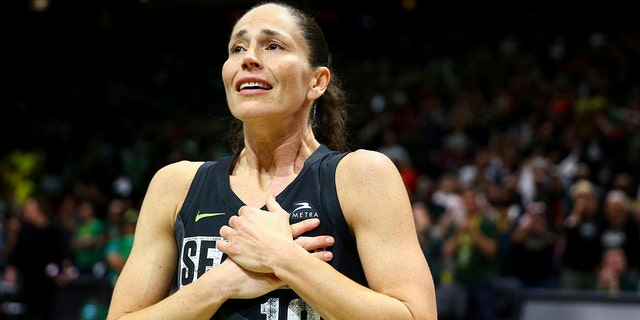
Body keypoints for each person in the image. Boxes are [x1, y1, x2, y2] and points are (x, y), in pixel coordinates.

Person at [107, 2, 437, 319]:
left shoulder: (363, 176)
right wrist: (220, 284)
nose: (248, 58)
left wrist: (283, 258)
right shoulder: (175, 185)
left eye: (273, 46)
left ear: (317, 82)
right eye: (237, 48)